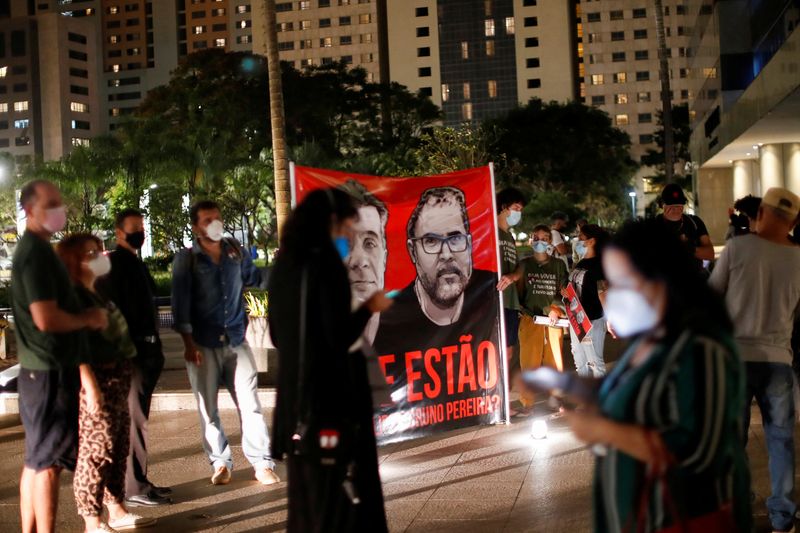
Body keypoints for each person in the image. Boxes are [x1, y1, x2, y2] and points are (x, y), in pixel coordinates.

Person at [563, 218, 750, 532]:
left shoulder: (702, 347)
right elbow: (631, 396)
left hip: (685, 516)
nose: (613, 293)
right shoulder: (647, 339)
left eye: (623, 281)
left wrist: (607, 432)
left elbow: (700, 453)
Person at [268, 188, 392, 532]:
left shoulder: (284, 267)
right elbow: (337, 337)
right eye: (346, 226)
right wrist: (369, 307)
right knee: (343, 496)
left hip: (296, 404)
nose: (347, 235)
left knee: (309, 499)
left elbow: (278, 335)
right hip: (333, 402)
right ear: (331, 222)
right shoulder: (325, 266)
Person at [11, 180, 108, 533]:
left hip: (41, 371)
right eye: (51, 203)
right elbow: (45, 317)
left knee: (36, 462)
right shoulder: (36, 254)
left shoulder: (36, 250)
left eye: (59, 202)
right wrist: (89, 318)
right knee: (48, 465)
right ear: (30, 209)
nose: (59, 209)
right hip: (49, 371)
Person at [709, 187, 800, 533]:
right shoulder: (799, 257)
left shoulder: (738, 247)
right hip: (778, 359)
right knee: (781, 440)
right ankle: (782, 519)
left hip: (734, 357)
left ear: (761, 213)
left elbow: (712, 296)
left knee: (733, 438)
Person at [171, 200, 279, 486]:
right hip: (202, 344)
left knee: (250, 404)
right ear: (195, 227)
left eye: (217, 218)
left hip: (236, 339)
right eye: (207, 220)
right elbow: (179, 306)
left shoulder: (233, 250)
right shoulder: (187, 259)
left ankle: (262, 463)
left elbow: (254, 278)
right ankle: (220, 463)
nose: (214, 223)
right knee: (208, 408)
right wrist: (188, 344)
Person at [57, 234, 156, 533]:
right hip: (98, 382)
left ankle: (117, 509)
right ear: (75, 261)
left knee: (117, 447)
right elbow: (76, 345)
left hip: (117, 381)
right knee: (96, 451)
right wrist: (90, 385)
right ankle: (92, 520)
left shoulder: (95, 290)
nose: (101, 256)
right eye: (91, 252)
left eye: (99, 249)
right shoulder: (73, 295)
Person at [95, 208, 171, 507]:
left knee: (140, 419)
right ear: (118, 232)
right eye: (134, 227)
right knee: (134, 421)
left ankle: (140, 480)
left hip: (147, 354)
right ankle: (133, 487)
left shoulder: (136, 265)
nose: (141, 230)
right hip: (133, 357)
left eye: (142, 225)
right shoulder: (113, 266)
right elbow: (113, 314)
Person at [372, 186, 499, 356]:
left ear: (468, 243)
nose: (446, 254)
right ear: (412, 251)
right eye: (431, 241)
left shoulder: (491, 289)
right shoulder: (390, 319)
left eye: (455, 238)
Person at [499, 225, 568, 412]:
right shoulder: (525, 264)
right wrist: (510, 279)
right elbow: (516, 280)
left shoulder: (558, 265)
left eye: (545, 238)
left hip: (554, 319)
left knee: (555, 360)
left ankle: (556, 398)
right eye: (537, 237)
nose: (540, 241)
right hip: (530, 318)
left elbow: (564, 291)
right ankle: (527, 402)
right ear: (531, 240)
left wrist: (555, 308)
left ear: (550, 242)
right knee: (529, 361)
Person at [339, 179, 389, 344]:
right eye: (346, 244)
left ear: (384, 258)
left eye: (370, 243)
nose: (359, 261)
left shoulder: (411, 334)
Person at [494, 187, 526, 407]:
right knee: (495, 353)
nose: (518, 213)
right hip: (495, 302)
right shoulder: (491, 232)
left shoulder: (510, 237)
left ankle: (502, 401)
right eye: (516, 208)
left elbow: (519, 267)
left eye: (520, 209)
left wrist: (514, 276)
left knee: (509, 350)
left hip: (511, 303)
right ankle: (496, 402)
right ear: (504, 207)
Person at [565, 224, 610, 377]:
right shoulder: (581, 263)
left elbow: (602, 292)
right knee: (579, 361)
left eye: (581, 238)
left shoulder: (600, 265)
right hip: (576, 319)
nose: (578, 241)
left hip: (593, 320)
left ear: (592, 241)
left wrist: (609, 321)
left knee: (595, 362)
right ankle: (584, 396)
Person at [656, 183, 714, 270]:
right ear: (662, 205)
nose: (675, 209)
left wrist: (688, 248)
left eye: (679, 205)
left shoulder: (694, 223)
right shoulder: (652, 226)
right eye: (671, 205)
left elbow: (710, 254)